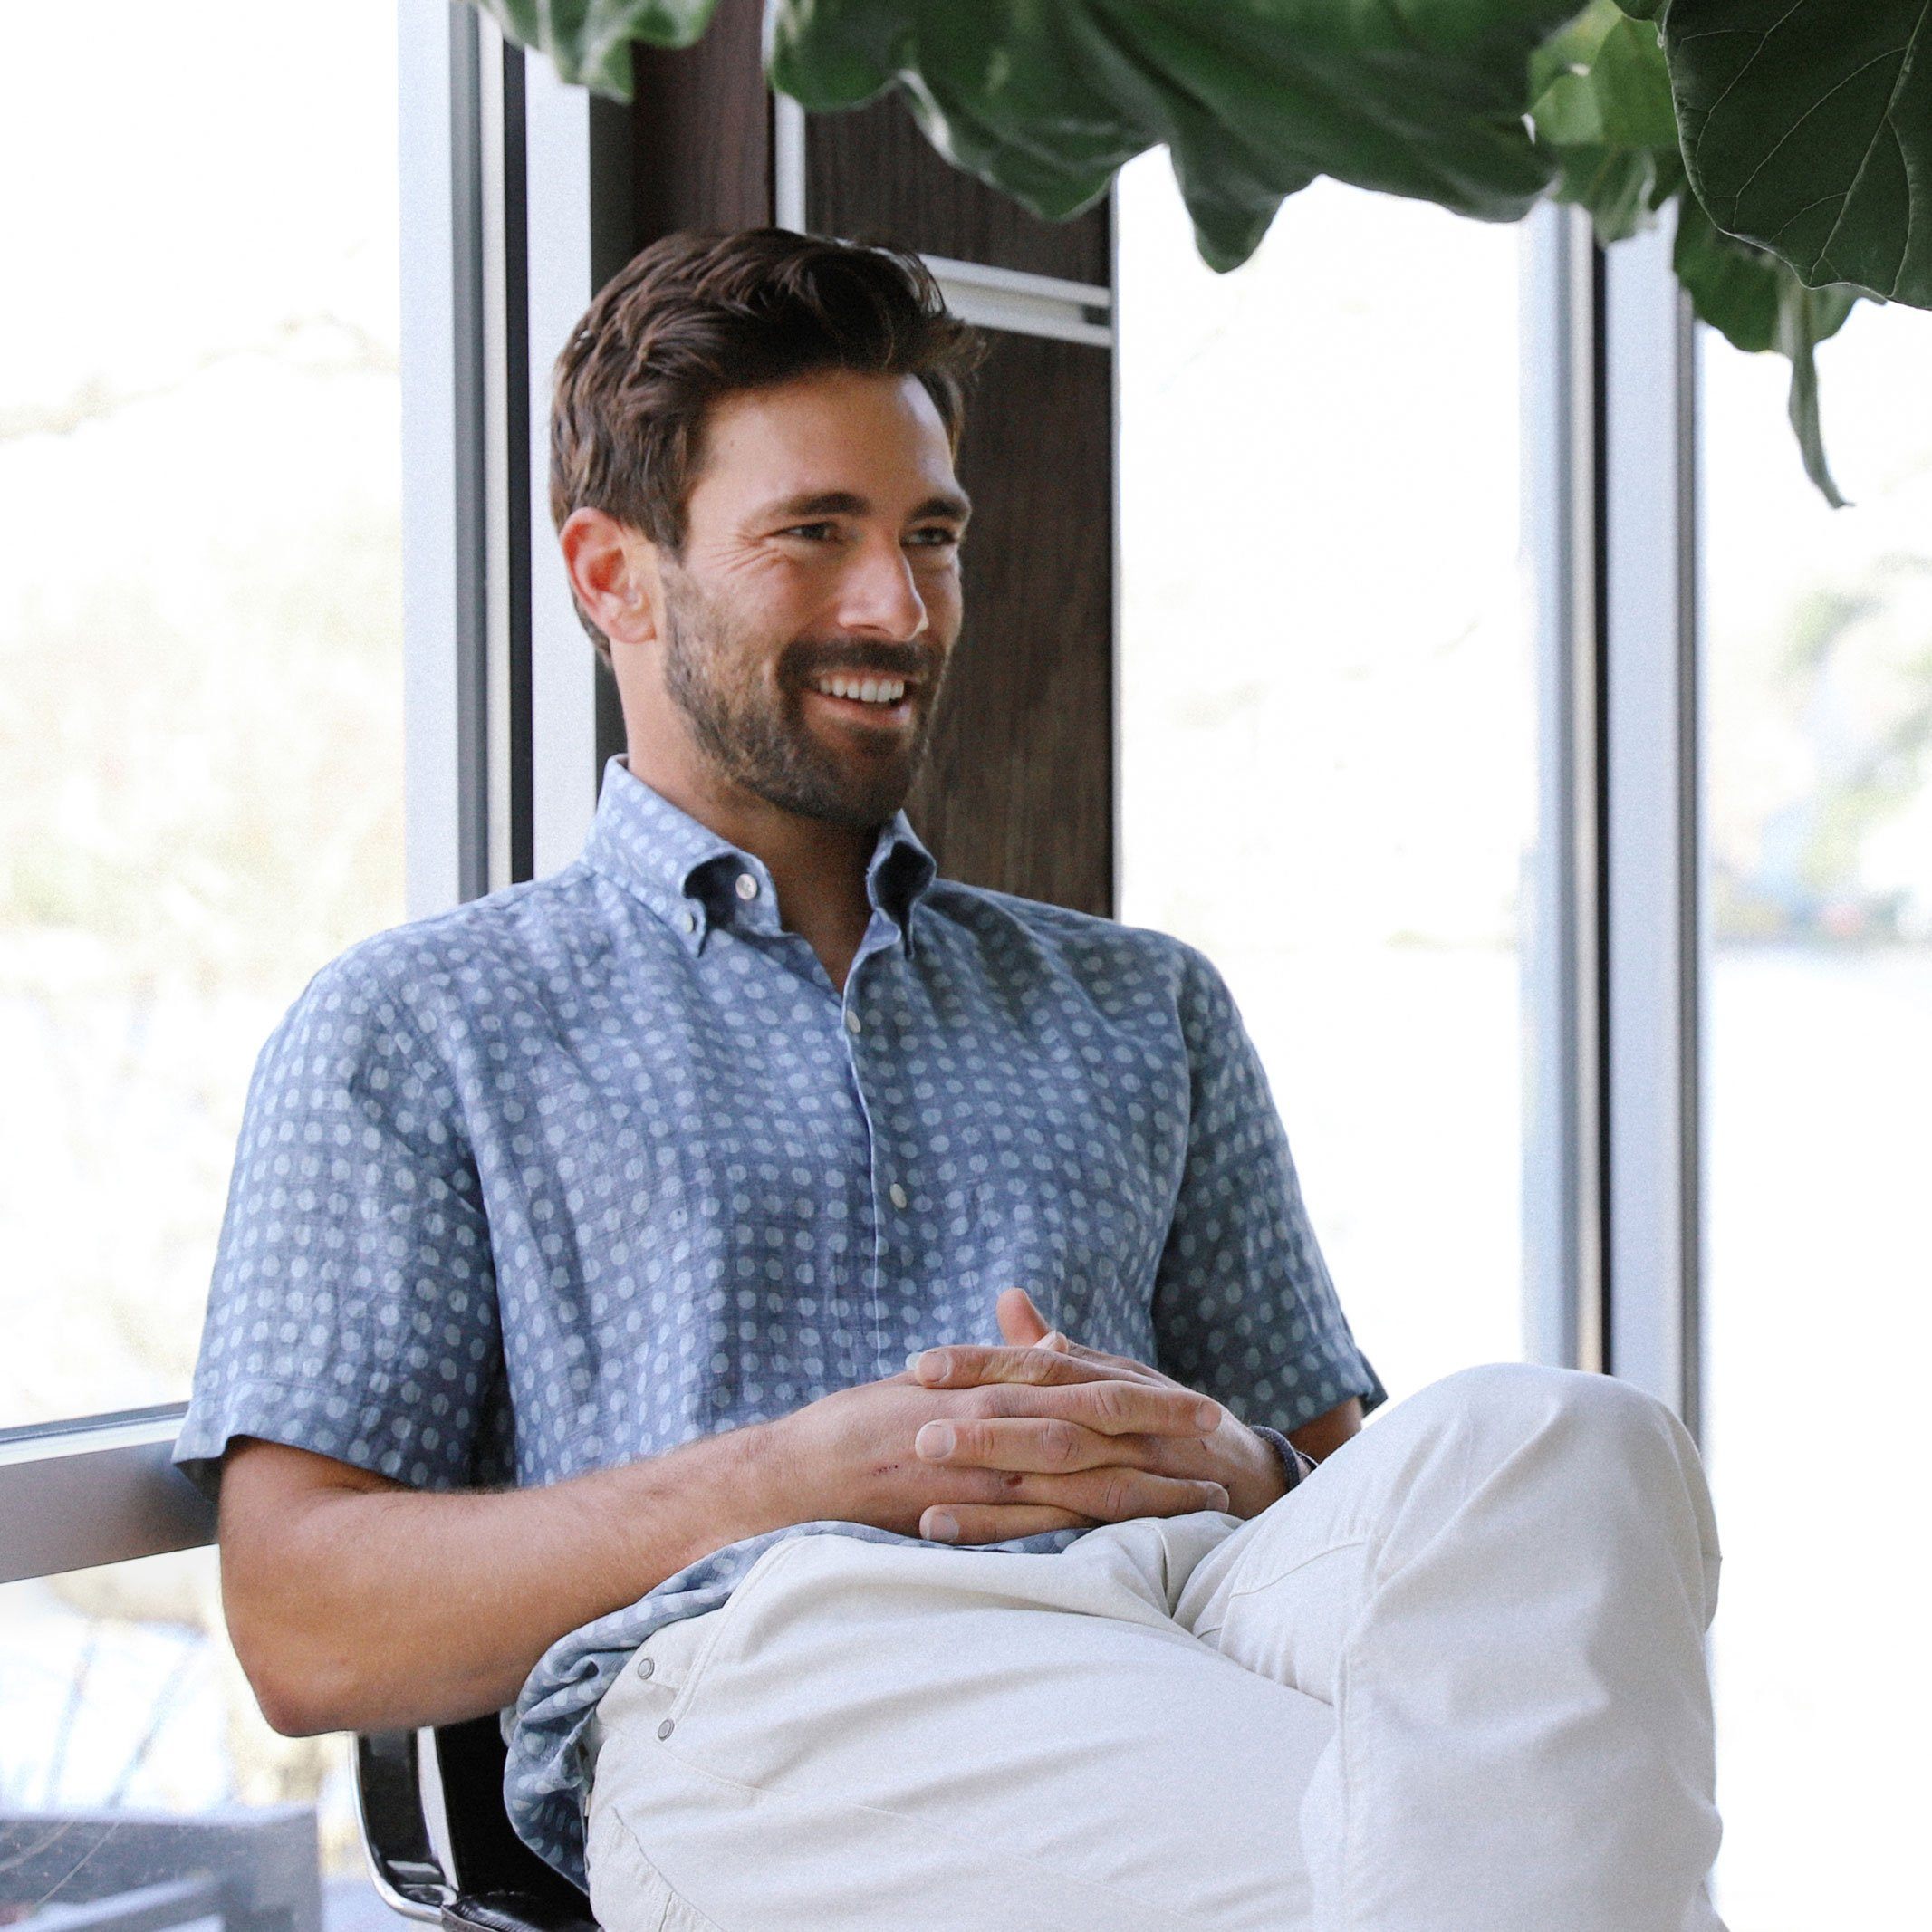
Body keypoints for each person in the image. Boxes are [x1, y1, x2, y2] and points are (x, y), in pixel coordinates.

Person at [177, 229, 1724, 1932]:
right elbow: (303, 1621)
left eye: (929, 536)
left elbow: (1360, 1500)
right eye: (812, 536)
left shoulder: (1140, 1003)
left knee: (1573, 1444)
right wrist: (795, 1473)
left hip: (1178, 1610)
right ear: (612, 574)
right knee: (1486, 1833)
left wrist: (1235, 1463)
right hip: (772, 1670)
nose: (895, 610)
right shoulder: (418, 1024)